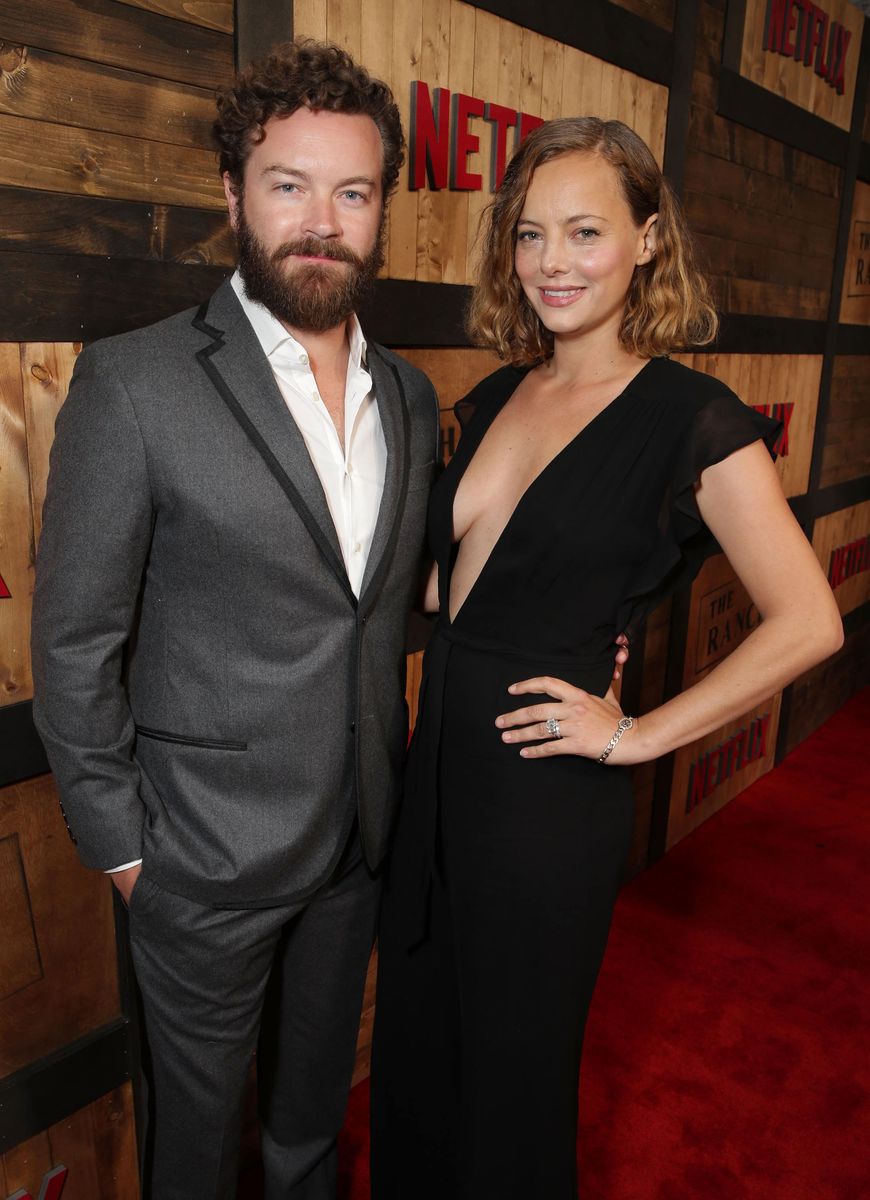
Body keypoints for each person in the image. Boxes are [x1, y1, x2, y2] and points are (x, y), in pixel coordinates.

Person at [370, 117, 843, 1199]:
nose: (552, 262)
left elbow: (808, 619)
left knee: (513, 1090)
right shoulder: (497, 395)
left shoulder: (693, 420)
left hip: (543, 800)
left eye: (585, 232)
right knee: (415, 1069)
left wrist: (635, 734)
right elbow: (452, 589)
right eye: (531, 235)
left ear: (646, 240)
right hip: (434, 775)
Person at [30, 40, 441, 1200]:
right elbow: (71, 645)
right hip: (195, 864)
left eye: (352, 192)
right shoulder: (137, 382)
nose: (322, 221)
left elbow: (386, 594)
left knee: (309, 1137)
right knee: (198, 1160)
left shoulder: (407, 395)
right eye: (289, 184)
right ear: (232, 194)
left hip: (356, 846)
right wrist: (129, 857)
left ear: (382, 210)